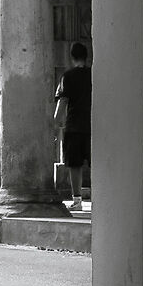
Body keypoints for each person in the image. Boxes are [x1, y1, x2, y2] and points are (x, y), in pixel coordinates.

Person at [52, 39, 92, 206]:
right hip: (93, 126)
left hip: (74, 126)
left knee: (74, 164)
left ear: (72, 57)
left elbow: (63, 101)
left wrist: (54, 123)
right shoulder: (93, 74)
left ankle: (77, 200)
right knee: (96, 162)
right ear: (86, 56)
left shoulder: (67, 77)